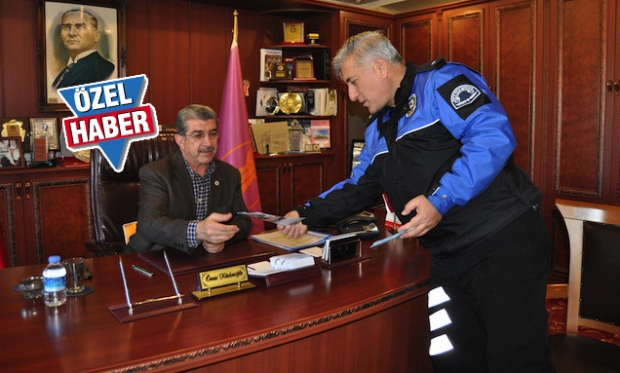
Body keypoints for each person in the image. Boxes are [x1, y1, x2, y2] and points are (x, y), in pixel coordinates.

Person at [279, 31, 555, 372]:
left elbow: (492, 137)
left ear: (380, 67)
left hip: (501, 242)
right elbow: (360, 186)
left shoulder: (442, 83)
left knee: (515, 359)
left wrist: (441, 199)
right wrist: (306, 213)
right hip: (448, 255)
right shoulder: (378, 127)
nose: (352, 95)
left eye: (353, 82)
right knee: (452, 359)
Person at [125, 104, 252, 254]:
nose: (208, 143)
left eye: (212, 134)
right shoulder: (156, 173)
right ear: (180, 141)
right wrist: (198, 231)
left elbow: (243, 221)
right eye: (198, 135)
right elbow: (150, 224)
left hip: (203, 259)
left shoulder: (230, 174)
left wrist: (222, 238)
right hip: (156, 257)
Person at [52, 8, 115, 89]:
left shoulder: (104, 68)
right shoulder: (69, 67)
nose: (71, 33)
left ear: (97, 36)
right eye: (66, 27)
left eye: (80, 27)